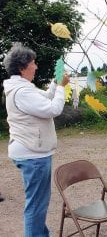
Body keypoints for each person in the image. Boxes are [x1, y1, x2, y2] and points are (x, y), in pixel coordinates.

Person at [3, 43, 69, 237]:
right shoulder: (22, 92)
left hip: (31, 152)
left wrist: (56, 84)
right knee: (36, 207)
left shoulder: (23, 88)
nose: (36, 66)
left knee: (37, 204)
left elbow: (47, 97)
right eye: (33, 63)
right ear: (23, 67)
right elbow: (52, 109)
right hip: (33, 155)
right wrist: (62, 88)